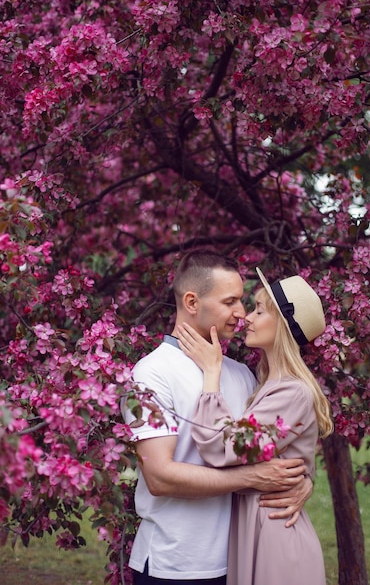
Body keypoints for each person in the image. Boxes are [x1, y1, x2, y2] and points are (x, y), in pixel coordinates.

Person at [122, 251, 313, 585]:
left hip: (242, 562)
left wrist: (303, 483)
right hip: (174, 565)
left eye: (243, 302)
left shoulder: (242, 375)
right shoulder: (152, 373)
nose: (240, 314)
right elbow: (160, 478)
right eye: (230, 302)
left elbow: (278, 449)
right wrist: (255, 477)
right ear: (192, 302)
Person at [177, 267, 333, 585]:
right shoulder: (266, 384)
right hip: (261, 526)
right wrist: (306, 479)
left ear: (283, 327)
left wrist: (211, 374)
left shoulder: (292, 391)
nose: (247, 317)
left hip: (275, 535)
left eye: (259, 310)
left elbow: (222, 447)